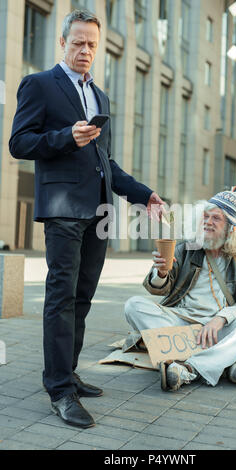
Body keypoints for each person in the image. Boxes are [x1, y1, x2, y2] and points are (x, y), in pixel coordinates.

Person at [9, 9, 164, 428]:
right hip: (61, 209)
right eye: (77, 42)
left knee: (82, 298)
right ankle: (59, 390)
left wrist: (142, 193)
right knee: (60, 299)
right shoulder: (39, 84)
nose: (85, 50)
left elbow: (105, 162)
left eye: (92, 44)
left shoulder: (101, 97)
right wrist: (65, 137)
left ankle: (69, 373)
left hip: (99, 213)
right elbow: (19, 143)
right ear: (63, 42)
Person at [124, 188, 236, 391]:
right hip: (181, 324)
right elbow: (160, 290)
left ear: (230, 229)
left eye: (216, 218)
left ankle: (188, 366)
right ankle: (223, 361)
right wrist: (162, 273)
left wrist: (222, 318)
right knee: (133, 306)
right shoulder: (185, 248)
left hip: (222, 329)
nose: (208, 222)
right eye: (205, 216)